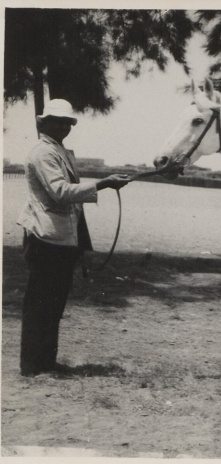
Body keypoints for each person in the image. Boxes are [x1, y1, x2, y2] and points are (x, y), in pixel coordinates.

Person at [16, 99, 130, 376]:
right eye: (57, 121)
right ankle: (32, 365)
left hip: (61, 237)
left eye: (68, 122)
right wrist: (103, 183)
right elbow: (61, 192)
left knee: (53, 304)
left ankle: (45, 362)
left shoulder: (60, 151)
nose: (64, 127)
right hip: (46, 237)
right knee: (41, 304)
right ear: (44, 123)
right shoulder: (43, 153)